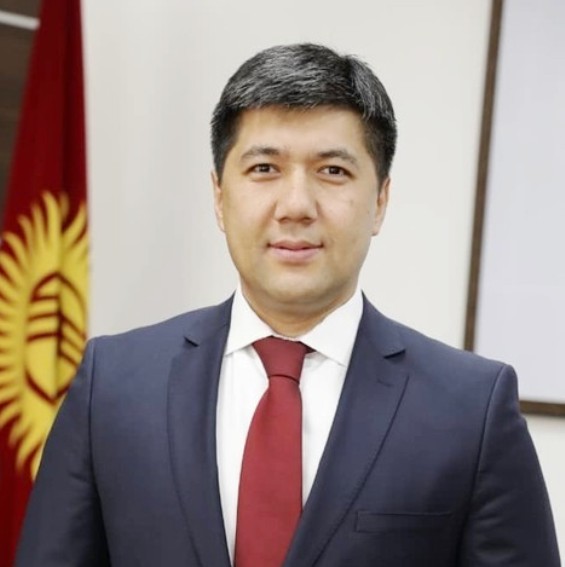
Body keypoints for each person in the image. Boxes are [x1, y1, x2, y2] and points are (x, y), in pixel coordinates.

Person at [16, 43, 560, 567]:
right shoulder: (113, 385)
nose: (296, 205)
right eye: (264, 169)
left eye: (333, 171)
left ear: (380, 201)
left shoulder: (471, 409)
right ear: (219, 197)